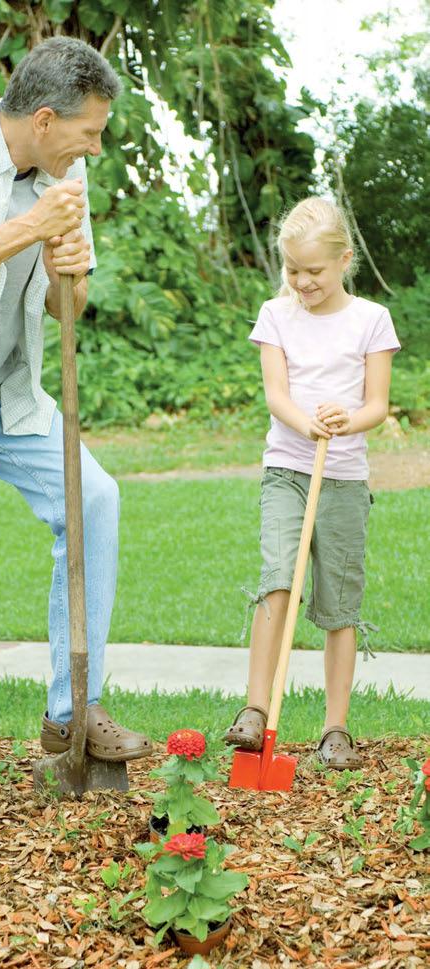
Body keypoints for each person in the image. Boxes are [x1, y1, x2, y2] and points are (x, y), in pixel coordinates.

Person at [0, 37, 152, 762]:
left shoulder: (63, 183)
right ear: (44, 119)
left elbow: (65, 306)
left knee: (95, 498)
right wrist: (29, 231)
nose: (96, 149)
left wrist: (65, 273)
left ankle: (72, 714)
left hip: (3, 398)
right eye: (90, 133)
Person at [224, 197, 400, 769]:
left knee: (338, 606)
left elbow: (377, 403)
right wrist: (307, 422)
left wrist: (347, 420)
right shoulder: (276, 315)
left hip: (345, 479)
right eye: (293, 269)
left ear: (345, 260)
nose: (302, 281)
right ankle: (254, 710)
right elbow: (277, 394)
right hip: (286, 471)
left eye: (314, 271)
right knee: (278, 580)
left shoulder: (371, 319)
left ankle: (335, 729)